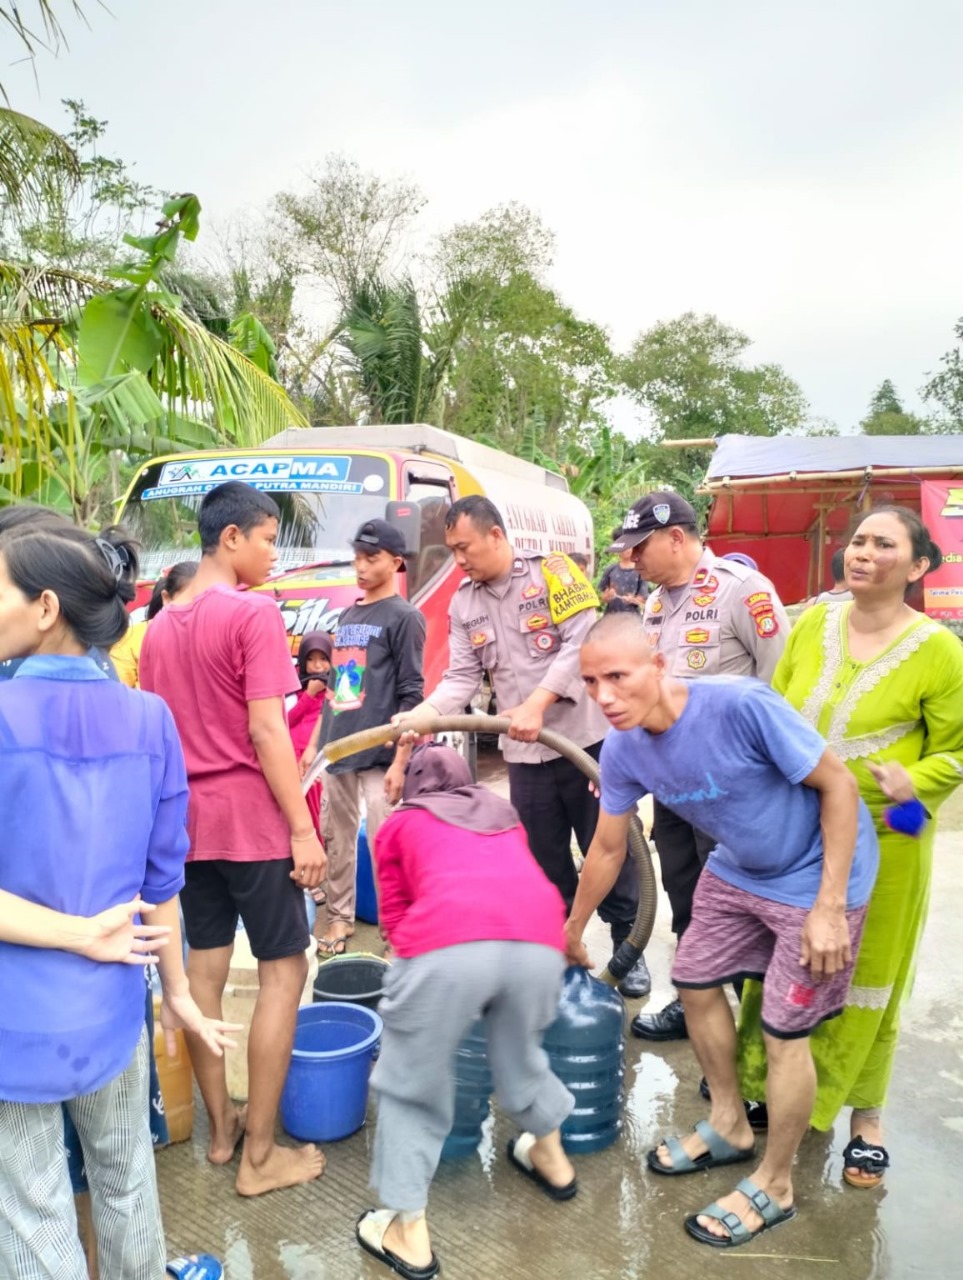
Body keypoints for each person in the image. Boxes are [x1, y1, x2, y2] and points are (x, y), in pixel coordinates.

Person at [565, 611, 878, 1248]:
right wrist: (572, 929)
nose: (604, 697)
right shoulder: (622, 749)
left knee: (784, 1031)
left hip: (815, 870)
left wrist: (827, 906)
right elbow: (605, 849)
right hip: (738, 868)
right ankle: (730, 1123)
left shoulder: (740, 706)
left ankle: (777, 1182)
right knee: (696, 982)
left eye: (617, 676)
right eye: (591, 682)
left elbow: (838, 785)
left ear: (657, 663)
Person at [0, 517, 235, 1280]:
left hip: (14, 1028)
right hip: (110, 1013)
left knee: (34, 1220)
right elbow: (161, 881)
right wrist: (178, 996)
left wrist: (71, 933)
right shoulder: (149, 719)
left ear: (44, 608)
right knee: (128, 1183)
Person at [738, 506, 963, 1188]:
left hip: (888, 833)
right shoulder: (812, 623)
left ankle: (864, 1117)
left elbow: (954, 751)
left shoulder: (940, 650)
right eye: (858, 540)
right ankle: (768, 1087)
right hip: (796, 825)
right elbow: (771, 708)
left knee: (868, 977)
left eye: (883, 544)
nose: (863, 552)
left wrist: (912, 782)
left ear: (918, 566)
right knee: (785, 956)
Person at [140, 480, 327, 1197]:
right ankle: (260, 1157)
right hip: (251, 822)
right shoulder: (251, 612)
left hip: (186, 829)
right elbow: (266, 728)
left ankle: (221, 1134)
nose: (274, 553)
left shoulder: (159, 627)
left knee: (204, 980)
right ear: (231, 539)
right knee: (285, 972)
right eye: (270, 538)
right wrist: (302, 829)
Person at [395, 494, 650, 999]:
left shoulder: (553, 573)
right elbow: (462, 676)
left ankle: (628, 947)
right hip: (525, 756)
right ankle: (561, 947)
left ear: (495, 535)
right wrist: (422, 715)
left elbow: (584, 642)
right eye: (452, 551)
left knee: (612, 846)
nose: (459, 559)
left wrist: (536, 704)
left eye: (465, 547)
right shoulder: (464, 603)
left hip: (586, 742)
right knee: (544, 858)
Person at [357, 743, 576, 1280]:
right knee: (519, 1053)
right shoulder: (503, 814)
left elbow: (395, 916)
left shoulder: (401, 825)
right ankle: (550, 1154)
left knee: (412, 1080)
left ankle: (407, 1233)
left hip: (448, 942)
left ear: (413, 788)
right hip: (542, 941)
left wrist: (413, 975)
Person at [615, 490, 790, 1041]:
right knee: (686, 895)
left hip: (733, 788)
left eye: (639, 547)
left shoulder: (744, 592)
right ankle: (699, 1007)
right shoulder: (655, 604)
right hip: (673, 785)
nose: (631, 560)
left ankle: (759, 1040)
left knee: (740, 907)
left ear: (676, 537)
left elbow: (782, 686)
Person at [300, 520, 426, 959]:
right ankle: (339, 916)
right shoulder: (349, 614)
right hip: (338, 751)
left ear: (395, 562)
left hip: (380, 754)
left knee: (385, 844)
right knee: (336, 840)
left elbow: (413, 694)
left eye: (371, 559)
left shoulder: (405, 617)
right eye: (357, 557)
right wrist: (316, 744)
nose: (360, 566)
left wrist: (401, 760)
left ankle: (397, 929)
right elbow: (336, 688)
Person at [289, 631, 332, 934]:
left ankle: (316, 876)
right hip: (291, 765)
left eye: (323, 659)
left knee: (318, 821)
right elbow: (285, 721)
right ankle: (304, 876)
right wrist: (308, 695)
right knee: (297, 821)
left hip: (320, 766)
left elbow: (334, 721)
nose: (317, 666)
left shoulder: (337, 689)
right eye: (311, 659)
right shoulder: (294, 687)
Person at [110, 561, 199, 688]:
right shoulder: (132, 638)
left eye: (208, 600)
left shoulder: (220, 636)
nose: (198, 609)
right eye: (189, 602)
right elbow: (117, 693)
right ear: (166, 598)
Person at [598, 531, 648, 613]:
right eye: (621, 546)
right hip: (611, 617)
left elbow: (642, 599)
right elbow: (602, 597)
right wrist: (608, 596)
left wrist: (633, 600)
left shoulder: (640, 570)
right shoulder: (610, 569)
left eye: (627, 545)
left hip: (632, 619)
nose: (625, 549)